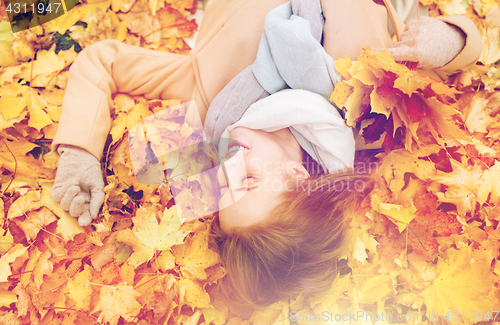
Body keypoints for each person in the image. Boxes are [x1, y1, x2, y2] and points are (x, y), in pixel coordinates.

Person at [51, 0, 482, 310]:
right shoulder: (367, 115)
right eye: (250, 181)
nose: (229, 167)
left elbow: (103, 63)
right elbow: (463, 47)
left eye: (222, 189)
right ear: (297, 175)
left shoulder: (209, 107)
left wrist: (78, 152)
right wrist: (449, 40)